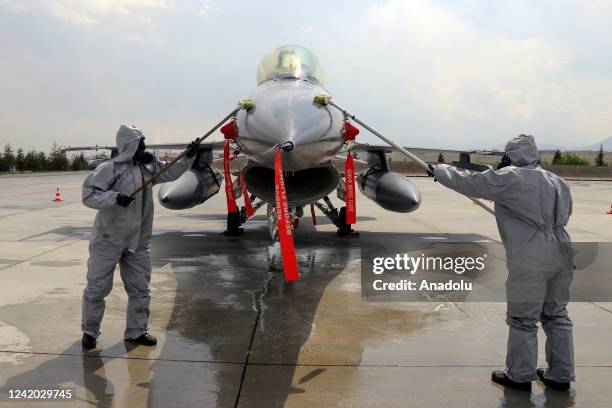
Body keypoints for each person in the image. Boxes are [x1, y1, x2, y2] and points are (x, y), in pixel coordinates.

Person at [431, 134, 575, 391]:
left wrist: (440, 171)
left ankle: (519, 375)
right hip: (563, 250)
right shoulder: (557, 180)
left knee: (523, 318)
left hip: (532, 254)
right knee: (557, 315)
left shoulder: (512, 178)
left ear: (512, 156)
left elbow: (474, 183)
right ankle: (560, 374)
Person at [81, 125, 200, 349]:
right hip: (108, 240)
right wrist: (115, 198)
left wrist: (188, 156)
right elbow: (89, 195)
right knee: (97, 288)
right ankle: (89, 331)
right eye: (141, 143)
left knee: (140, 289)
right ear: (129, 146)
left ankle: (136, 331)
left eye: (144, 142)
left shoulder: (148, 167)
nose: (145, 147)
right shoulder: (110, 168)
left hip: (137, 242)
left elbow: (170, 172)